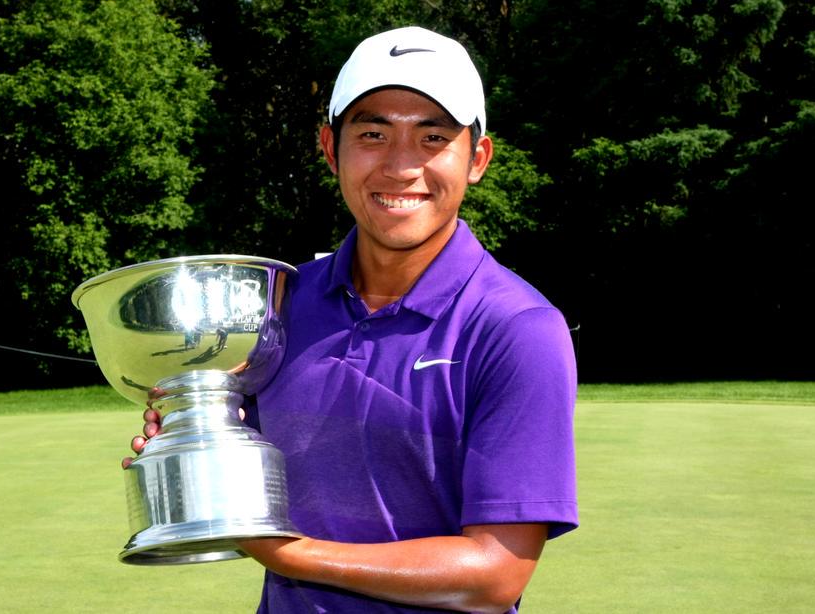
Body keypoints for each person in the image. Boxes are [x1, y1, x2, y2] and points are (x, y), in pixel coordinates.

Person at [127, 26, 577, 613]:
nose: (400, 166)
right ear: (329, 148)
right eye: (372, 133)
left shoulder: (517, 329)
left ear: (478, 159)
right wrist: (189, 439)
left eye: (433, 137)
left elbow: (494, 574)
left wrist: (291, 554)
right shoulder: (276, 303)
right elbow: (243, 451)